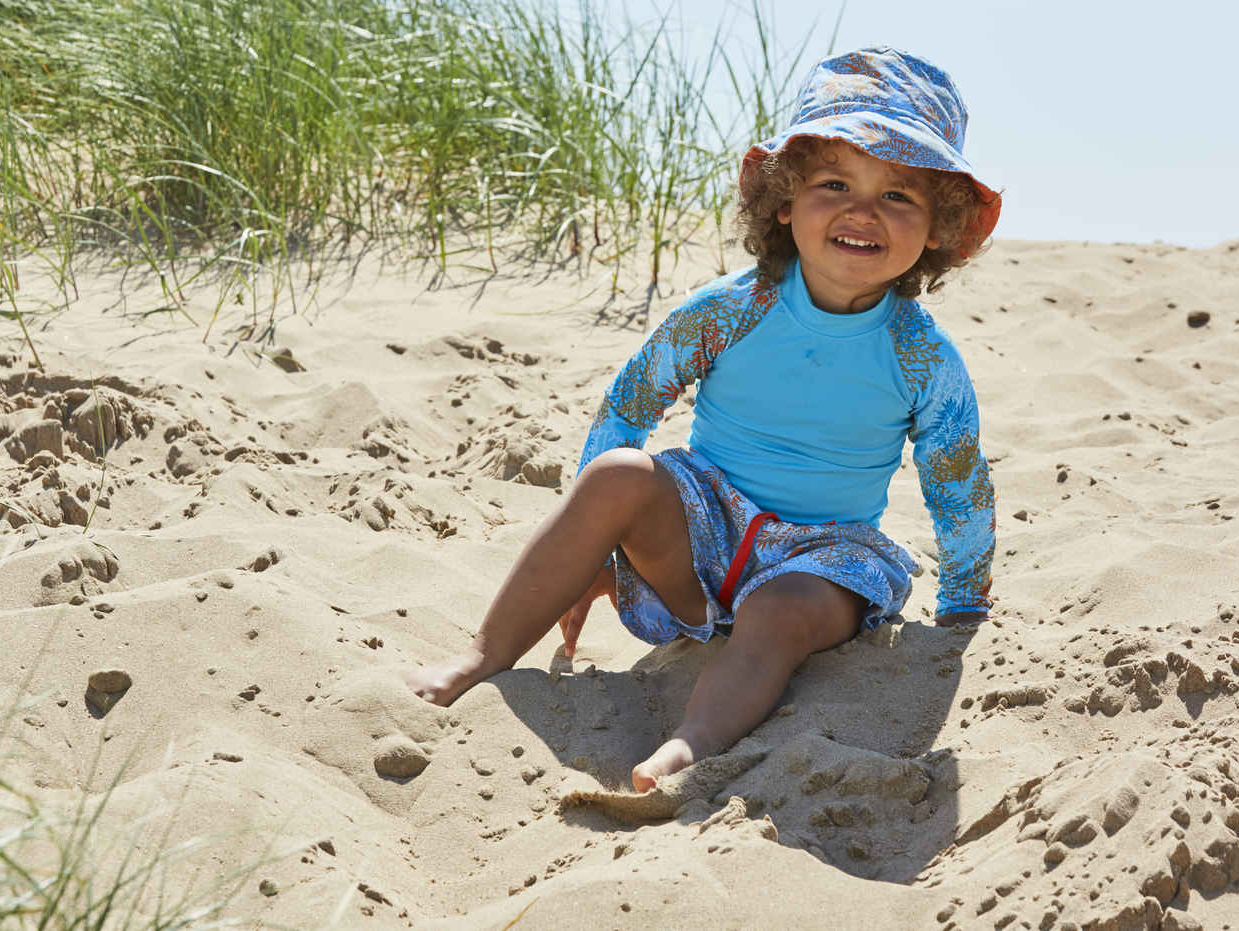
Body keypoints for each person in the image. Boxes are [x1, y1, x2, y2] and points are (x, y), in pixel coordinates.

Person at [408, 46, 1000, 793]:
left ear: (939, 227)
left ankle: (691, 741)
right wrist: (594, 551)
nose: (862, 211)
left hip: (825, 557)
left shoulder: (921, 356)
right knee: (619, 474)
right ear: (784, 200)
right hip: (702, 530)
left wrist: (964, 605)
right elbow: (631, 404)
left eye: (899, 196)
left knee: (781, 609)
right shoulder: (731, 308)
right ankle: (484, 654)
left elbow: (958, 482)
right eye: (835, 183)